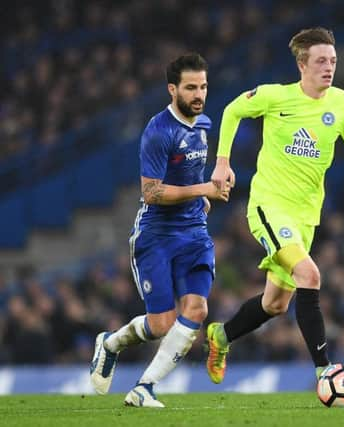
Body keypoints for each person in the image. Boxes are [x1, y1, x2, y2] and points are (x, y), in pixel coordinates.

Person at [206, 27, 344, 384]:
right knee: (310, 274)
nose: (328, 68)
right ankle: (325, 371)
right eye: (320, 61)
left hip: (306, 215)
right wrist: (223, 162)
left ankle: (220, 336)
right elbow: (232, 110)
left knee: (275, 304)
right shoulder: (275, 97)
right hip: (269, 205)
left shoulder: (342, 103)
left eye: (332, 61)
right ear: (302, 64)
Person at [90, 53, 231, 407]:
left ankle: (144, 387)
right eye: (191, 87)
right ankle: (110, 344)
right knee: (162, 324)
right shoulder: (158, 132)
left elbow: (190, 174)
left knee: (197, 310)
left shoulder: (203, 124)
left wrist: (203, 197)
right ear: (172, 89)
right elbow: (151, 193)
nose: (199, 94)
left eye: (203, 86)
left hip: (194, 233)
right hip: (157, 236)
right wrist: (203, 191)